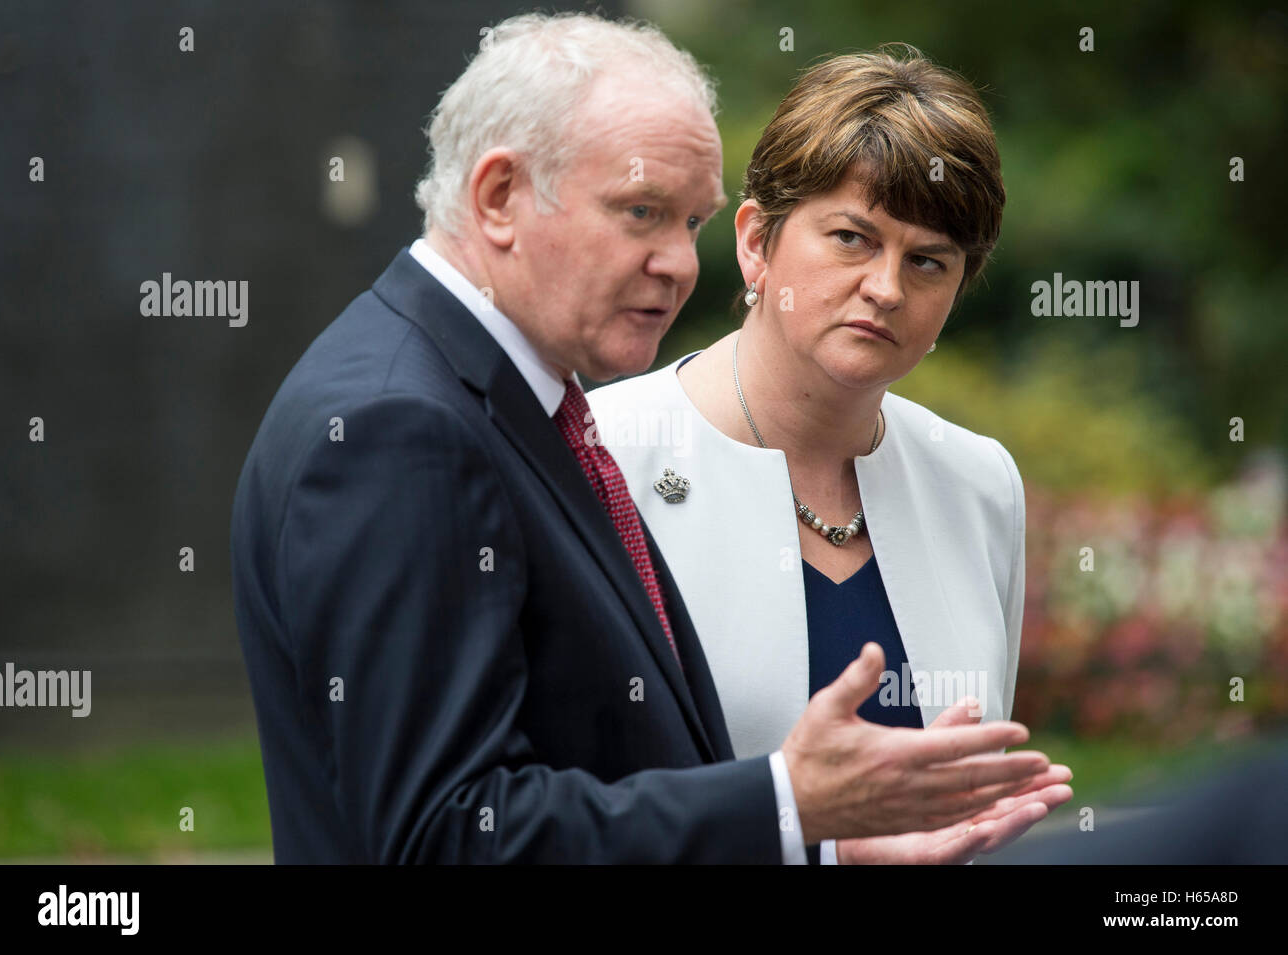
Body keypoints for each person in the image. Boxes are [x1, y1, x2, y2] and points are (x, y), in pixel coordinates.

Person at [230, 15, 1050, 864]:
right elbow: (445, 832)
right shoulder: (403, 427)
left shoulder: (520, 411)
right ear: (499, 196)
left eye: (688, 223)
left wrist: (826, 850)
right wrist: (788, 806)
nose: (678, 264)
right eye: (641, 213)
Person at [588, 45, 1072, 864]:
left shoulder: (978, 481)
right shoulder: (602, 460)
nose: (886, 286)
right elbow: (554, 812)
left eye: (928, 260)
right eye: (852, 237)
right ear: (755, 243)